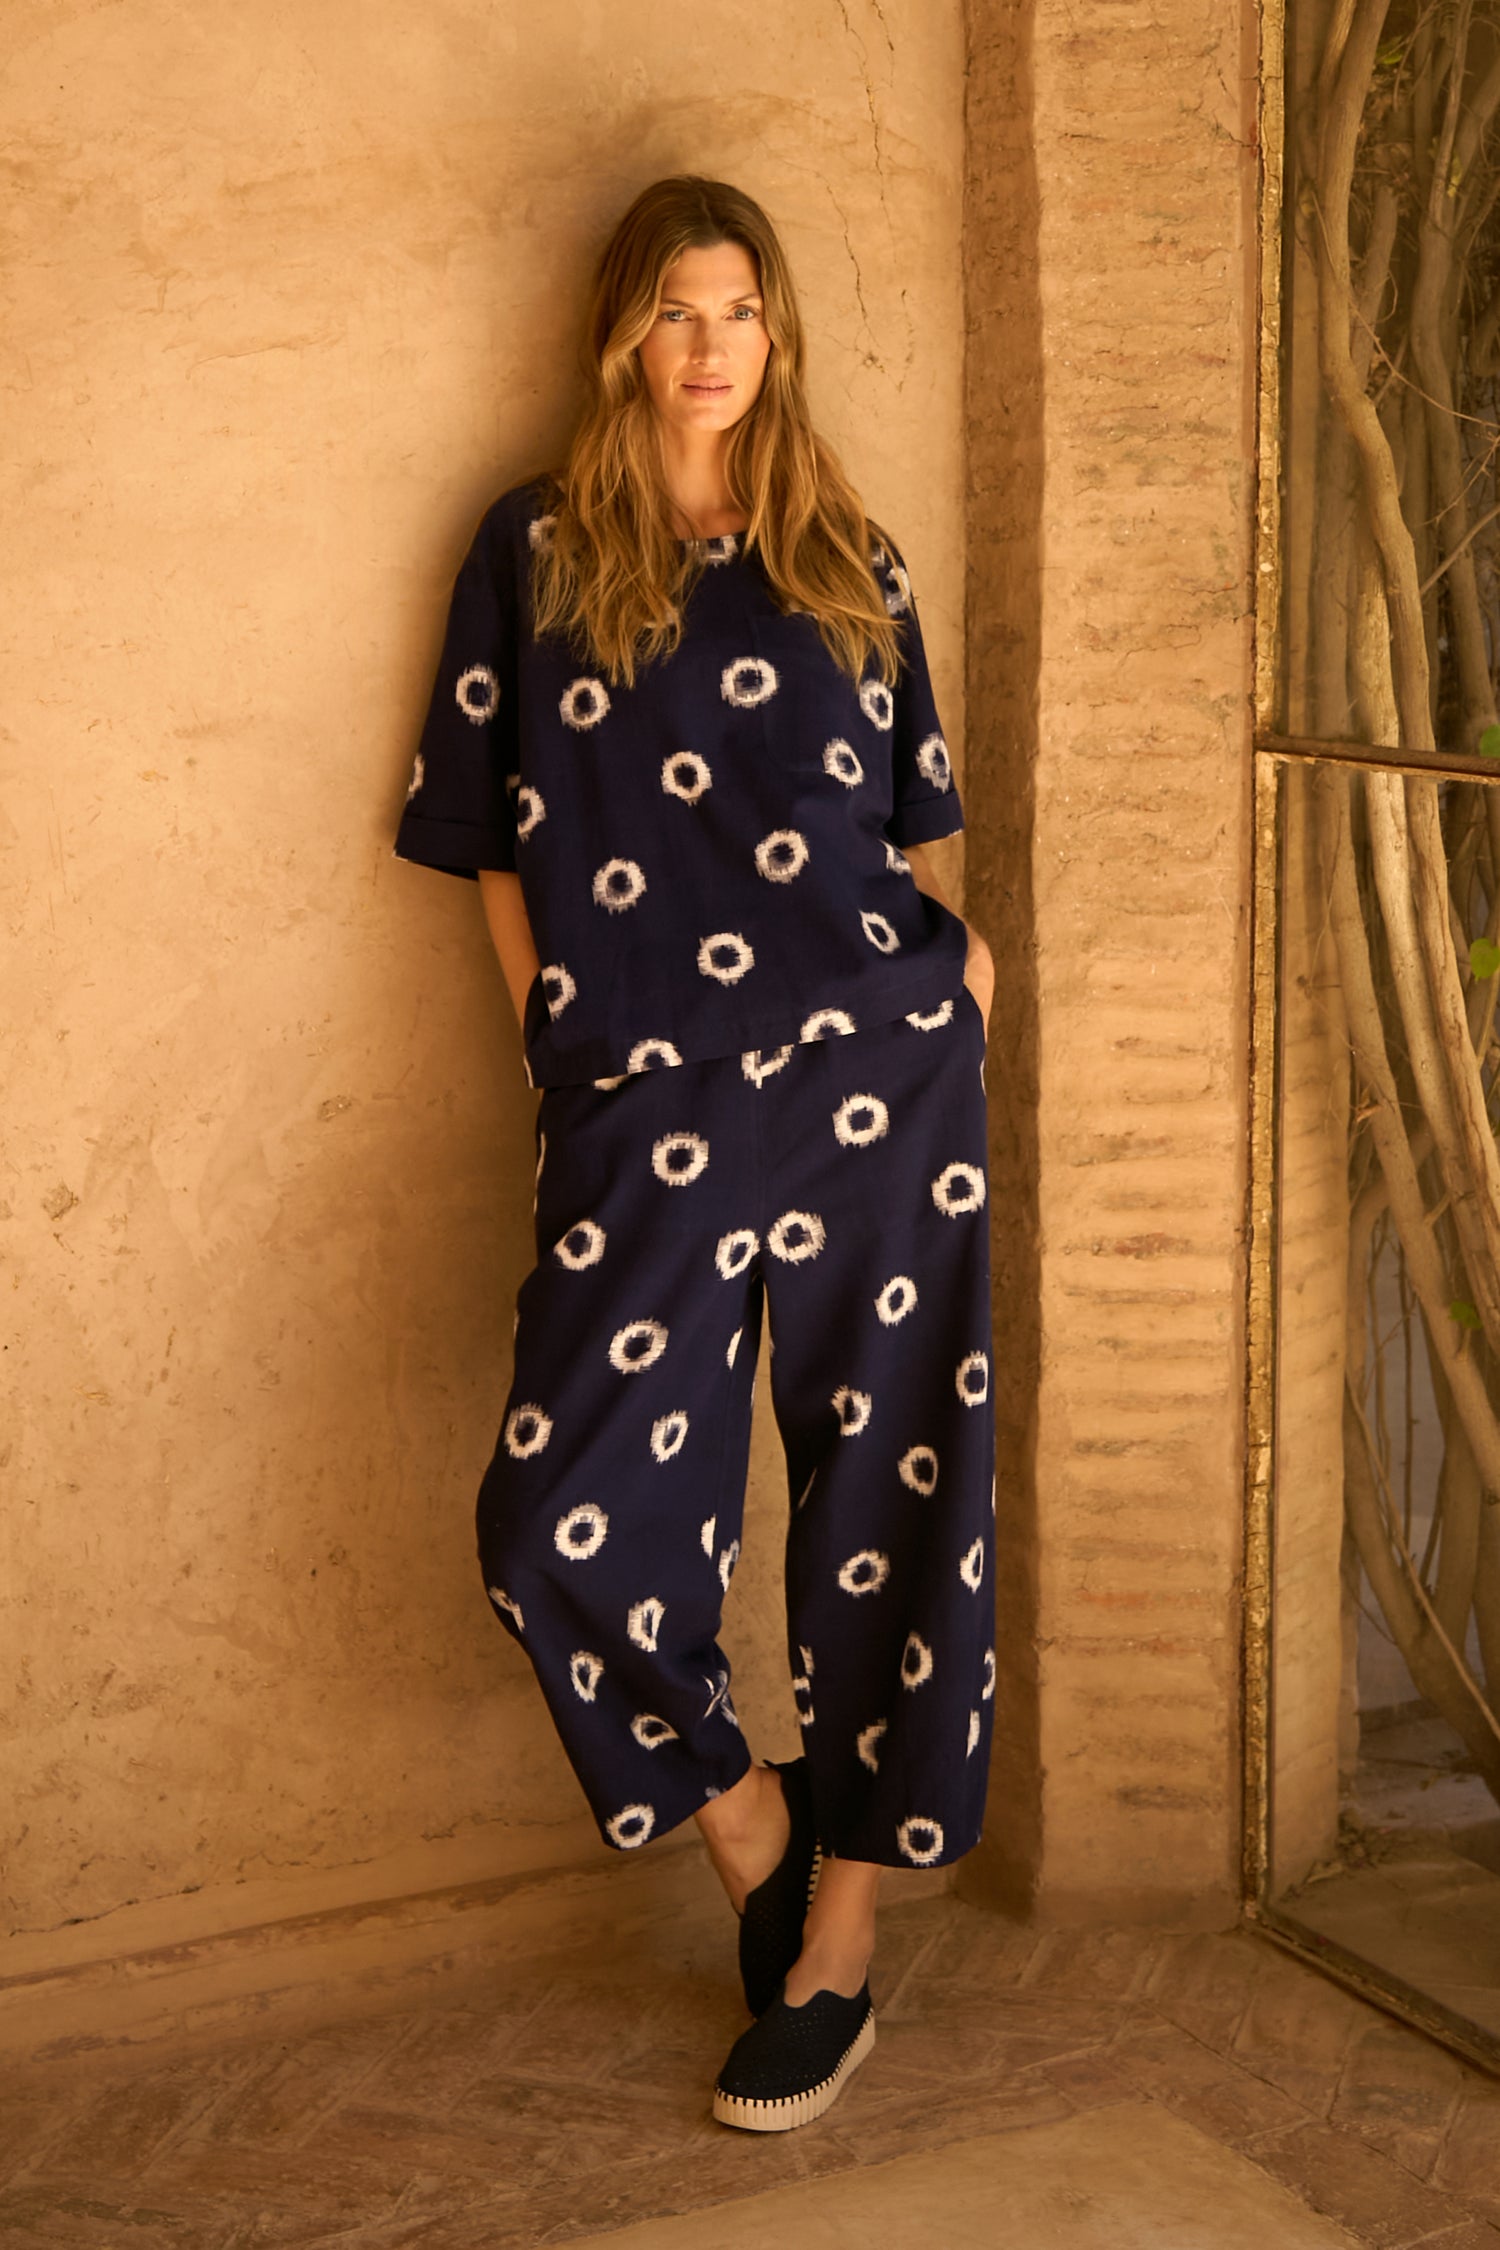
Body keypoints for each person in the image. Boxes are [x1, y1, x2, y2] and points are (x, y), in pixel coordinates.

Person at [393, 174, 996, 2133]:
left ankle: (837, 1950)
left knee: (889, 1489)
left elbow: (915, 819)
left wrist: (956, 965)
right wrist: (560, 1040)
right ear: (623, 336)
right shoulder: (539, 550)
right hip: (646, 1093)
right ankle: (753, 1828)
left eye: (742, 307)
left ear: (777, 330)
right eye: (678, 309)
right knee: (552, 1514)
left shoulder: (847, 552)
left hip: (876, 1079)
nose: (714, 342)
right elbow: (482, 836)